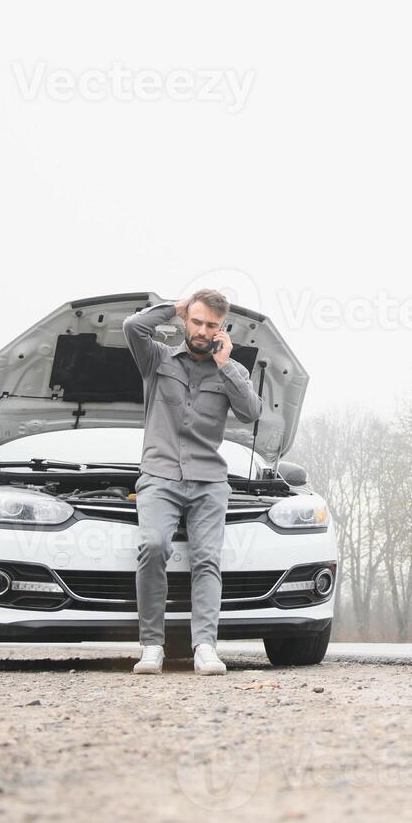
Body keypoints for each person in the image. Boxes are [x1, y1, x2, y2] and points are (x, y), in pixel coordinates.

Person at [122, 289, 263, 675]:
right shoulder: (157, 359)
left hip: (208, 480)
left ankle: (205, 647)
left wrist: (227, 364)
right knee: (152, 546)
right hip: (160, 475)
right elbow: (133, 326)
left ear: (222, 329)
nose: (202, 330)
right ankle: (152, 645)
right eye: (197, 322)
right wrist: (174, 307)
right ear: (187, 321)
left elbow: (252, 412)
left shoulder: (231, 370)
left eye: (211, 325)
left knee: (207, 560)